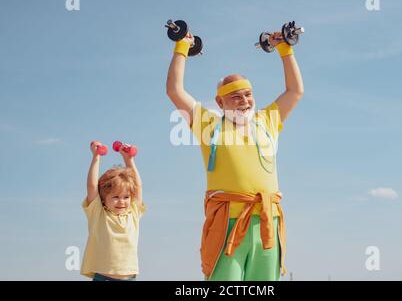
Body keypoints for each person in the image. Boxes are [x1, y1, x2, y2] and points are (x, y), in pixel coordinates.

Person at [166, 30, 304, 281]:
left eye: (248, 94)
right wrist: (181, 48)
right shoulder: (209, 125)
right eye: (235, 96)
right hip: (227, 222)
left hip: (266, 223)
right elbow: (175, 91)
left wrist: (285, 49)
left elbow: (295, 90)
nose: (244, 101)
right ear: (220, 103)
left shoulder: (267, 121)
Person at [80, 141, 146, 281]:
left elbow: (138, 186)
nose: (121, 201)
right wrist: (96, 157)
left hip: (130, 278)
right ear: (103, 199)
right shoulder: (98, 214)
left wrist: (129, 160)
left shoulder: (133, 213)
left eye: (126, 197)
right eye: (115, 197)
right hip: (104, 278)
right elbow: (92, 186)